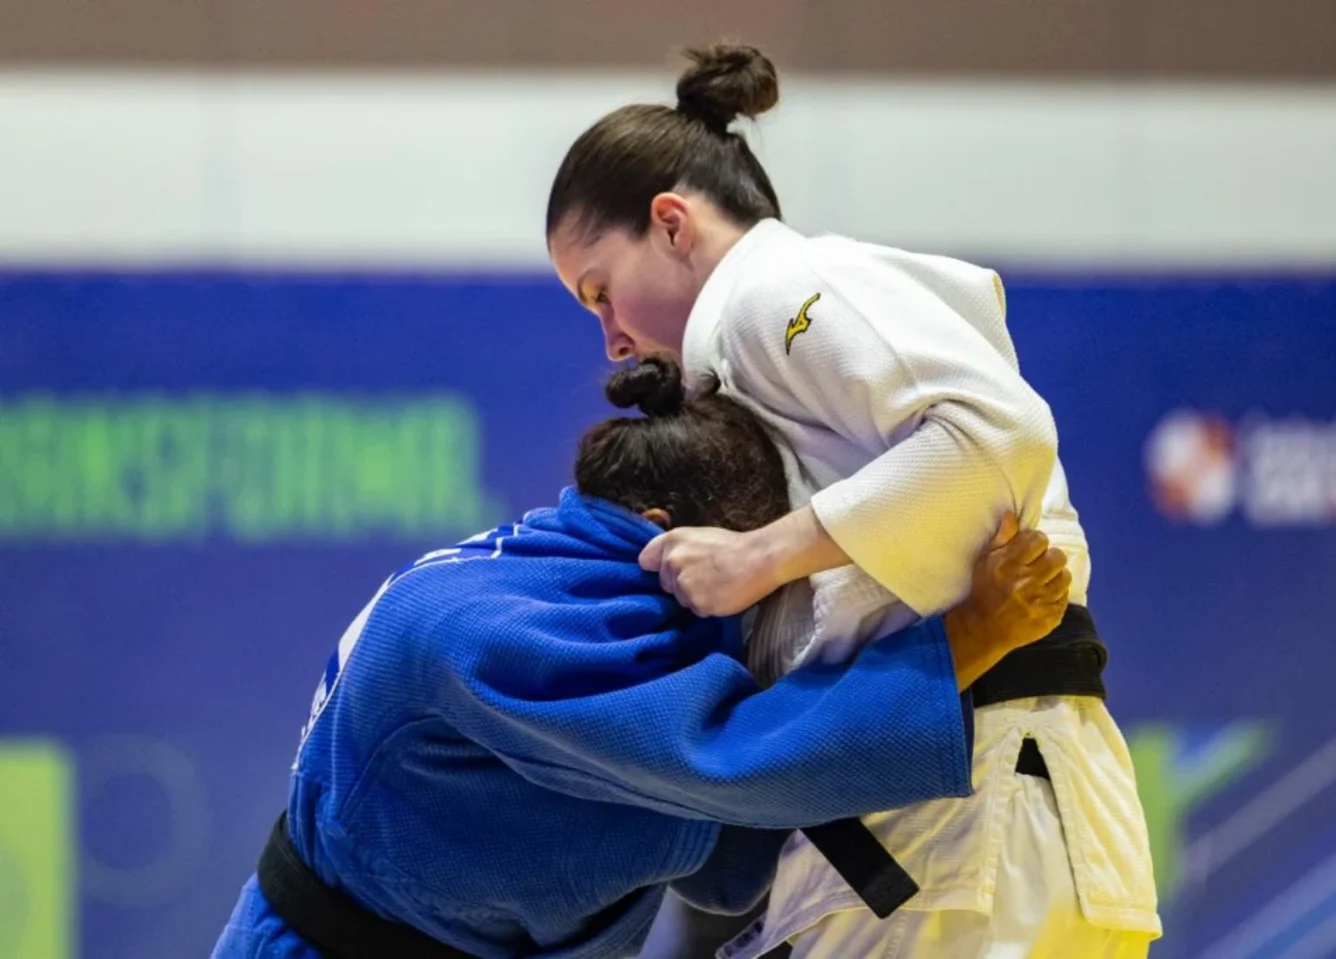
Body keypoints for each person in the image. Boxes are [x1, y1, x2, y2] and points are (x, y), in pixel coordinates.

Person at [546, 45, 1160, 958]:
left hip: (975, 819)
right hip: (953, 821)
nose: (612, 338)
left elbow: (1000, 436)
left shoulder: (771, 294)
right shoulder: (758, 336)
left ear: (672, 223)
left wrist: (758, 556)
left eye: (602, 291)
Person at [212, 358, 1071, 959]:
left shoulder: (541, 577)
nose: (767, 592)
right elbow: (731, 762)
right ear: (669, 535)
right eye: (756, 564)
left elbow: (720, 852)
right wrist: (973, 636)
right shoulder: (483, 630)